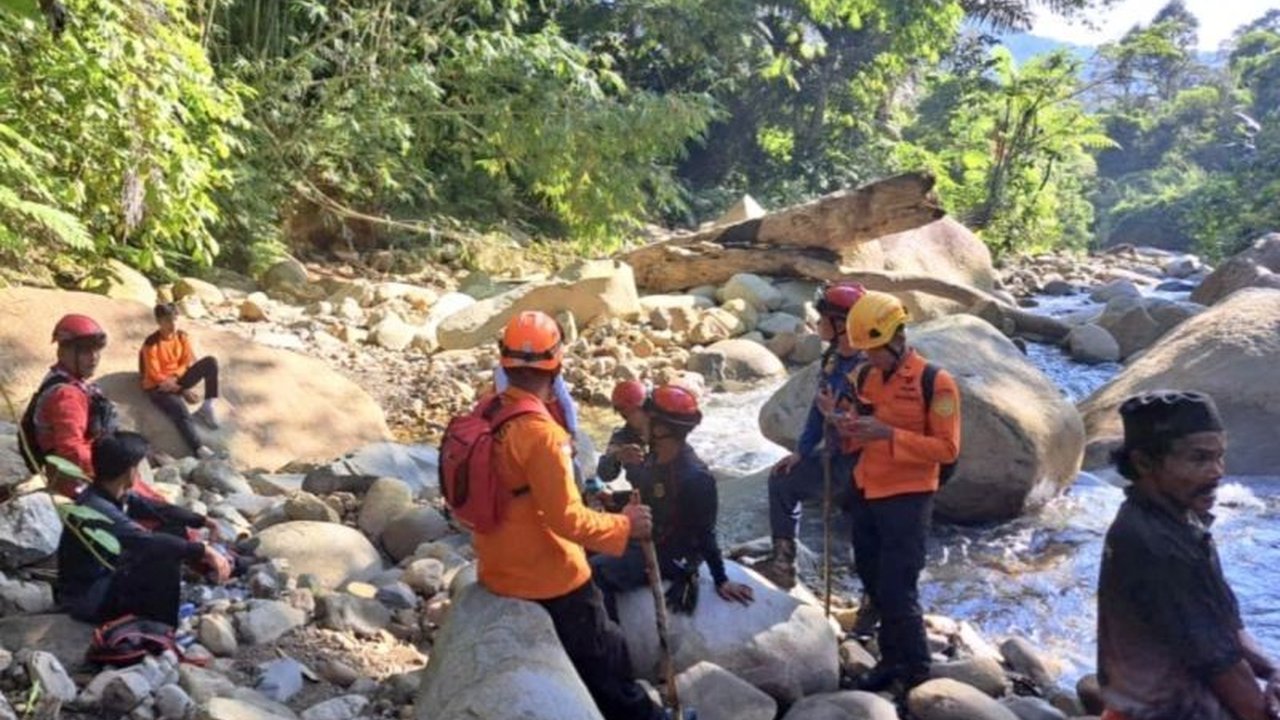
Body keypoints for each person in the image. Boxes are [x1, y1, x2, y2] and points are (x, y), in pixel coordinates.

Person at [474, 310, 671, 720]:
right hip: (544, 574)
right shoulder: (541, 434)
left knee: (607, 638)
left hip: (496, 565)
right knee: (607, 652)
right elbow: (567, 519)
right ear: (557, 364)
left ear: (504, 361)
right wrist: (625, 525)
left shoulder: (487, 411)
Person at [1097, 391, 1280, 720]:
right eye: (1199, 459)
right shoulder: (1154, 545)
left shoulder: (1180, 523)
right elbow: (1220, 664)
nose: (1217, 472)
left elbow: (1227, 625)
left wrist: (1271, 670)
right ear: (1144, 463)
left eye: (1220, 456)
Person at [835, 290, 960, 693]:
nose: (869, 358)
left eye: (875, 350)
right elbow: (857, 437)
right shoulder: (866, 376)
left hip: (909, 497)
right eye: (866, 351)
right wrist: (845, 428)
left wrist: (890, 434)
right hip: (868, 490)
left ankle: (918, 667)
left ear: (897, 339)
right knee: (873, 580)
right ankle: (891, 660)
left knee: (897, 587)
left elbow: (947, 449)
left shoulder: (935, 382)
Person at [591, 384, 754, 622]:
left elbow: (705, 533)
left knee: (596, 573)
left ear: (660, 430)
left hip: (673, 553)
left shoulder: (696, 477)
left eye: (646, 416)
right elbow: (652, 498)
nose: (639, 421)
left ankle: (609, 647)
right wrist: (614, 499)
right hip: (654, 533)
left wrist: (721, 578)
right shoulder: (658, 456)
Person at [56, 431, 230, 627]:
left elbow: (157, 508)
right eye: (137, 468)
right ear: (129, 472)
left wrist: (203, 521)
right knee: (162, 554)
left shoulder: (113, 493)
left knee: (172, 527)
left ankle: (215, 570)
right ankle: (162, 625)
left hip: (110, 569)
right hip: (89, 598)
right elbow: (145, 541)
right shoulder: (96, 507)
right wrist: (203, 549)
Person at [758, 282, 866, 590]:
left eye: (823, 319)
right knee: (783, 479)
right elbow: (818, 413)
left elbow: (866, 420)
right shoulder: (833, 359)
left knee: (869, 534)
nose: (817, 324)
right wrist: (802, 453)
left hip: (864, 463)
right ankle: (782, 562)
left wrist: (836, 415)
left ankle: (873, 600)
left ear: (842, 325)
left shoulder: (867, 366)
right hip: (839, 456)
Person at [21, 314, 121, 496]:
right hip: (78, 484)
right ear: (63, 351)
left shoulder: (68, 381)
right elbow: (71, 450)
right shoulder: (66, 394)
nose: (94, 358)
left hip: (80, 474)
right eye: (85, 351)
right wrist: (113, 472)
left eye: (97, 350)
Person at [140, 303, 220, 456]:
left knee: (210, 362)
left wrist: (176, 378)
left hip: (176, 378)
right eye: (168, 320)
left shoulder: (182, 336)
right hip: (156, 387)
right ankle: (199, 449)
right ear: (159, 322)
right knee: (180, 410)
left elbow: (185, 362)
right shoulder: (151, 344)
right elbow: (154, 375)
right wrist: (182, 390)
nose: (173, 324)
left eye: (175, 319)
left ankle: (208, 406)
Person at [596, 380, 650, 487]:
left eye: (634, 412)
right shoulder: (622, 438)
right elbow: (604, 474)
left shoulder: (664, 430)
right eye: (625, 415)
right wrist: (617, 456)